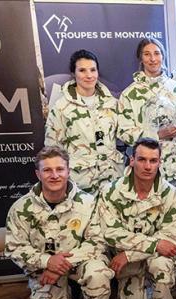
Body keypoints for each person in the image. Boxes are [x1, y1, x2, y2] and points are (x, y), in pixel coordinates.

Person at [5, 146, 113, 299]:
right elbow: (14, 248)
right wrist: (47, 262)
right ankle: (66, 295)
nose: (54, 175)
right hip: (44, 269)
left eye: (60, 169)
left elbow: (98, 241)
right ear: (38, 174)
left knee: (98, 273)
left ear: (68, 170)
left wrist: (59, 266)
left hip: (80, 262)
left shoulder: (88, 203)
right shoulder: (20, 208)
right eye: (47, 170)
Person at [97, 137, 176, 299]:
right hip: (129, 264)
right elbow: (111, 232)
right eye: (142, 159)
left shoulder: (171, 193)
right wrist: (153, 245)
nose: (147, 166)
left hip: (146, 257)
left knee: (162, 264)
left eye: (153, 160)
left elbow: (169, 241)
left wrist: (129, 253)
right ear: (131, 160)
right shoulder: (111, 191)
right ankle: (132, 288)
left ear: (160, 162)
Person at [119, 38, 176, 186]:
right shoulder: (129, 94)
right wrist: (156, 135)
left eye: (157, 53)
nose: (153, 59)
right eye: (147, 54)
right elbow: (124, 131)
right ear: (141, 58)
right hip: (147, 171)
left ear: (163, 56)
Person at [44, 49, 124, 194]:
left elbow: (125, 135)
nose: (89, 75)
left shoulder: (113, 104)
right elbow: (53, 149)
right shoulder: (62, 107)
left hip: (112, 178)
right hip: (81, 182)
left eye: (93, 70)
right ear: (73, 74)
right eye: (82, 70)